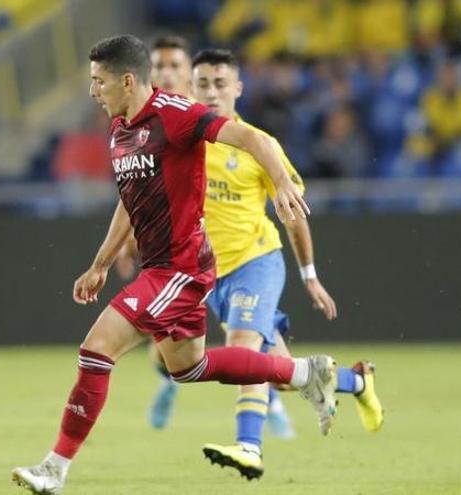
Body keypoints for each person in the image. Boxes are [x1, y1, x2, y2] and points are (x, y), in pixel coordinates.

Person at [12, 34, 339, 494]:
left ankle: (54, 467)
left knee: (96, 349)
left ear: (127, 80)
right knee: (189, 367)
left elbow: (246, 135)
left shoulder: (175, 114)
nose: (93, 91)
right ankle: (306, 373)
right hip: (160, 268)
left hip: (181, 269)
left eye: (98, 81)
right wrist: (101, 263)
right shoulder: (121, 128)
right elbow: (129, 203)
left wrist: (282, 182)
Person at [190, 48, 383, 480]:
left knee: (242, 351)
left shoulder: (259, 145)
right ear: (191, 88)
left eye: (221, 84)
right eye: (203, 84)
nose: (212, 92)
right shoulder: (182, 145)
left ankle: (249, 448)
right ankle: (357, 381)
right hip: (213, 278)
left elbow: (293, 213)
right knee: (278, 374)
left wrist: (309, 276)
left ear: (237, 89)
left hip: (256, 262)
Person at [136, 37, 298, 440]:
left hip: (239, 258)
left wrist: (309, 271)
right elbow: (137, 191)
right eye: (161, 66)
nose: (168, 73)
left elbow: (255, 143)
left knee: (243, 346)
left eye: (175, 65)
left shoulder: (207, 120)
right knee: (167, 353)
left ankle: (261, 422)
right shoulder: (153, 125)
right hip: (184, 258)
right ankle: (170, 385)